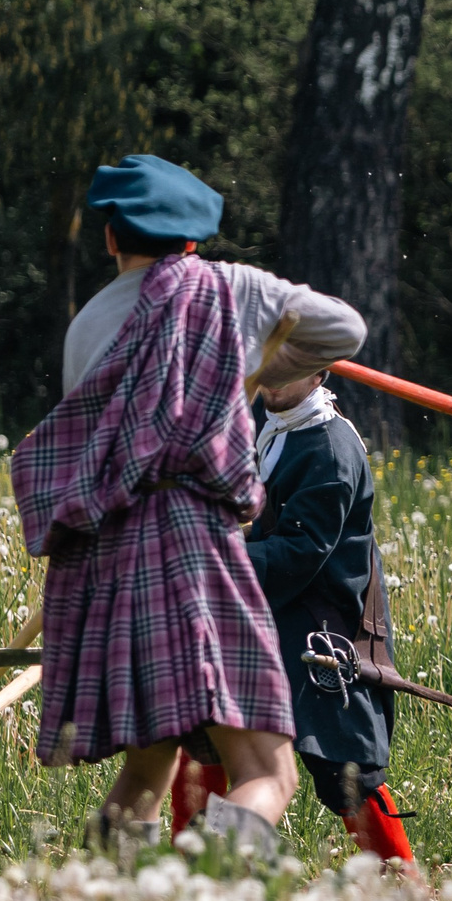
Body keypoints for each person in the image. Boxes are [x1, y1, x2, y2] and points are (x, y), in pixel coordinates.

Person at [16, 156, 361, 857]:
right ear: (196, 238)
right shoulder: (232, 289)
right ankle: (196, 895)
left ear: (112, 238)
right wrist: (262, 349)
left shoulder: (85, 326)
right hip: (192, 546)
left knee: (147, 766)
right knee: (268, 769)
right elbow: (345, 332)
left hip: (102, 556)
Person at [167, 367, 415, 867]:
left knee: (346, 775)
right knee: (204, 742)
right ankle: (188, 877)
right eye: (269, 370)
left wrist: (213, 551)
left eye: (288, 373)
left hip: (314, 631)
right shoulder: (266, 420)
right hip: (252, 617)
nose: (274, 383)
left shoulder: (329, 450)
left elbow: (300, 553)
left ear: (319, 373)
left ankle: (406, 894)